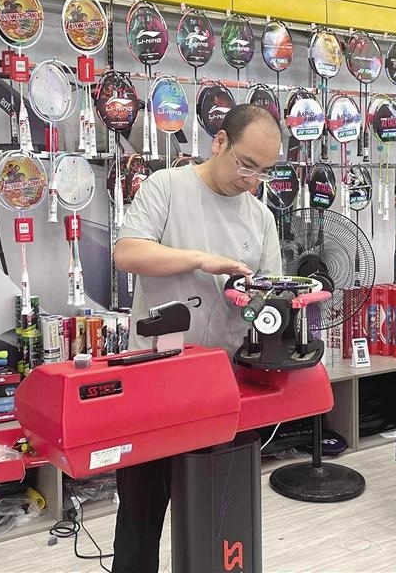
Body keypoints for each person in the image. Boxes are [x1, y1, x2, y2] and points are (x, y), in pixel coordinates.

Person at [111, 104, 283, 572]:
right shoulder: (167, 186)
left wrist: (260, 300)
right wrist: (201, 260)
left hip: (222, 385)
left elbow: (268, 294)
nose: (252, 180)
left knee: (218, 512)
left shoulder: (260, 217)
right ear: (219, 142)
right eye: (246, 164)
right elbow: (128, 252)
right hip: (154, 378)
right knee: (141, 513)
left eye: (264, 171)